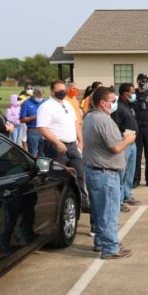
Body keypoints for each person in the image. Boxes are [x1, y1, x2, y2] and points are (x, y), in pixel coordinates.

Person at [83, 87, 136, 259]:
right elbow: (115, 148)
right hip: (105, 173)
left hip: (94, 171)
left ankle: (101, 241)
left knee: (99, 211)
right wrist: (127, 140)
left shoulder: (89, 117)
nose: (115, 104)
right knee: (109, 212)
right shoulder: (103, 120)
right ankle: (110, 248)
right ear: (102, 103)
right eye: (112, 101)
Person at [37, 80, 90, 214]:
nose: (62, 92)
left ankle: (83, 203)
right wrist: (57, 142)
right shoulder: (46, 107)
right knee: (61, 178)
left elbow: (75, 123)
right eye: (59, 90)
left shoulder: (67, 104)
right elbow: (42, 128)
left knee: (80, 174)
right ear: (52, 91)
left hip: (72, 146)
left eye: (63, 90)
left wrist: (81, 140)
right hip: (56, 147)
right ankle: (61, 207)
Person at [111, 83, 140, 212]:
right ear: (125, 93)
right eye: (132, 92)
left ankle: (127, 195)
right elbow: (116, 126)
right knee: (121, 173)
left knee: (130, 171)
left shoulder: (130, 105)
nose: (134, 95)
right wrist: (123, 137)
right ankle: (119, 200)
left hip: (133, 143)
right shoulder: (118, 107)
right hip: (124, 144)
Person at [20, 86, 45, 157]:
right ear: (34, 94)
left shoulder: (44, 102)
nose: (40, 98)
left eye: (41, 96)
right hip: (33, 132)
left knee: (44, 155)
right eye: (38, 96)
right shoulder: (27, 103)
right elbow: (22, 119)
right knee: (32, 155)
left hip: (45, 132)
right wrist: (35, 117)